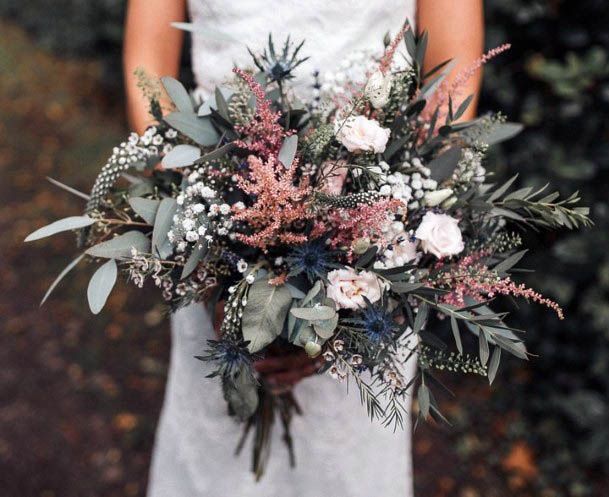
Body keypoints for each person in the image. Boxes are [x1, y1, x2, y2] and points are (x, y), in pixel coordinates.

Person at [123, 1, 484, 496]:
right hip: (217, 214)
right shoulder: (207, 231)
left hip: (373, 239)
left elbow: (452, 77)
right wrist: (201, 239)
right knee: (216, 449)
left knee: (348, 462)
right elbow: (147, 59)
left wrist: (392, 235)